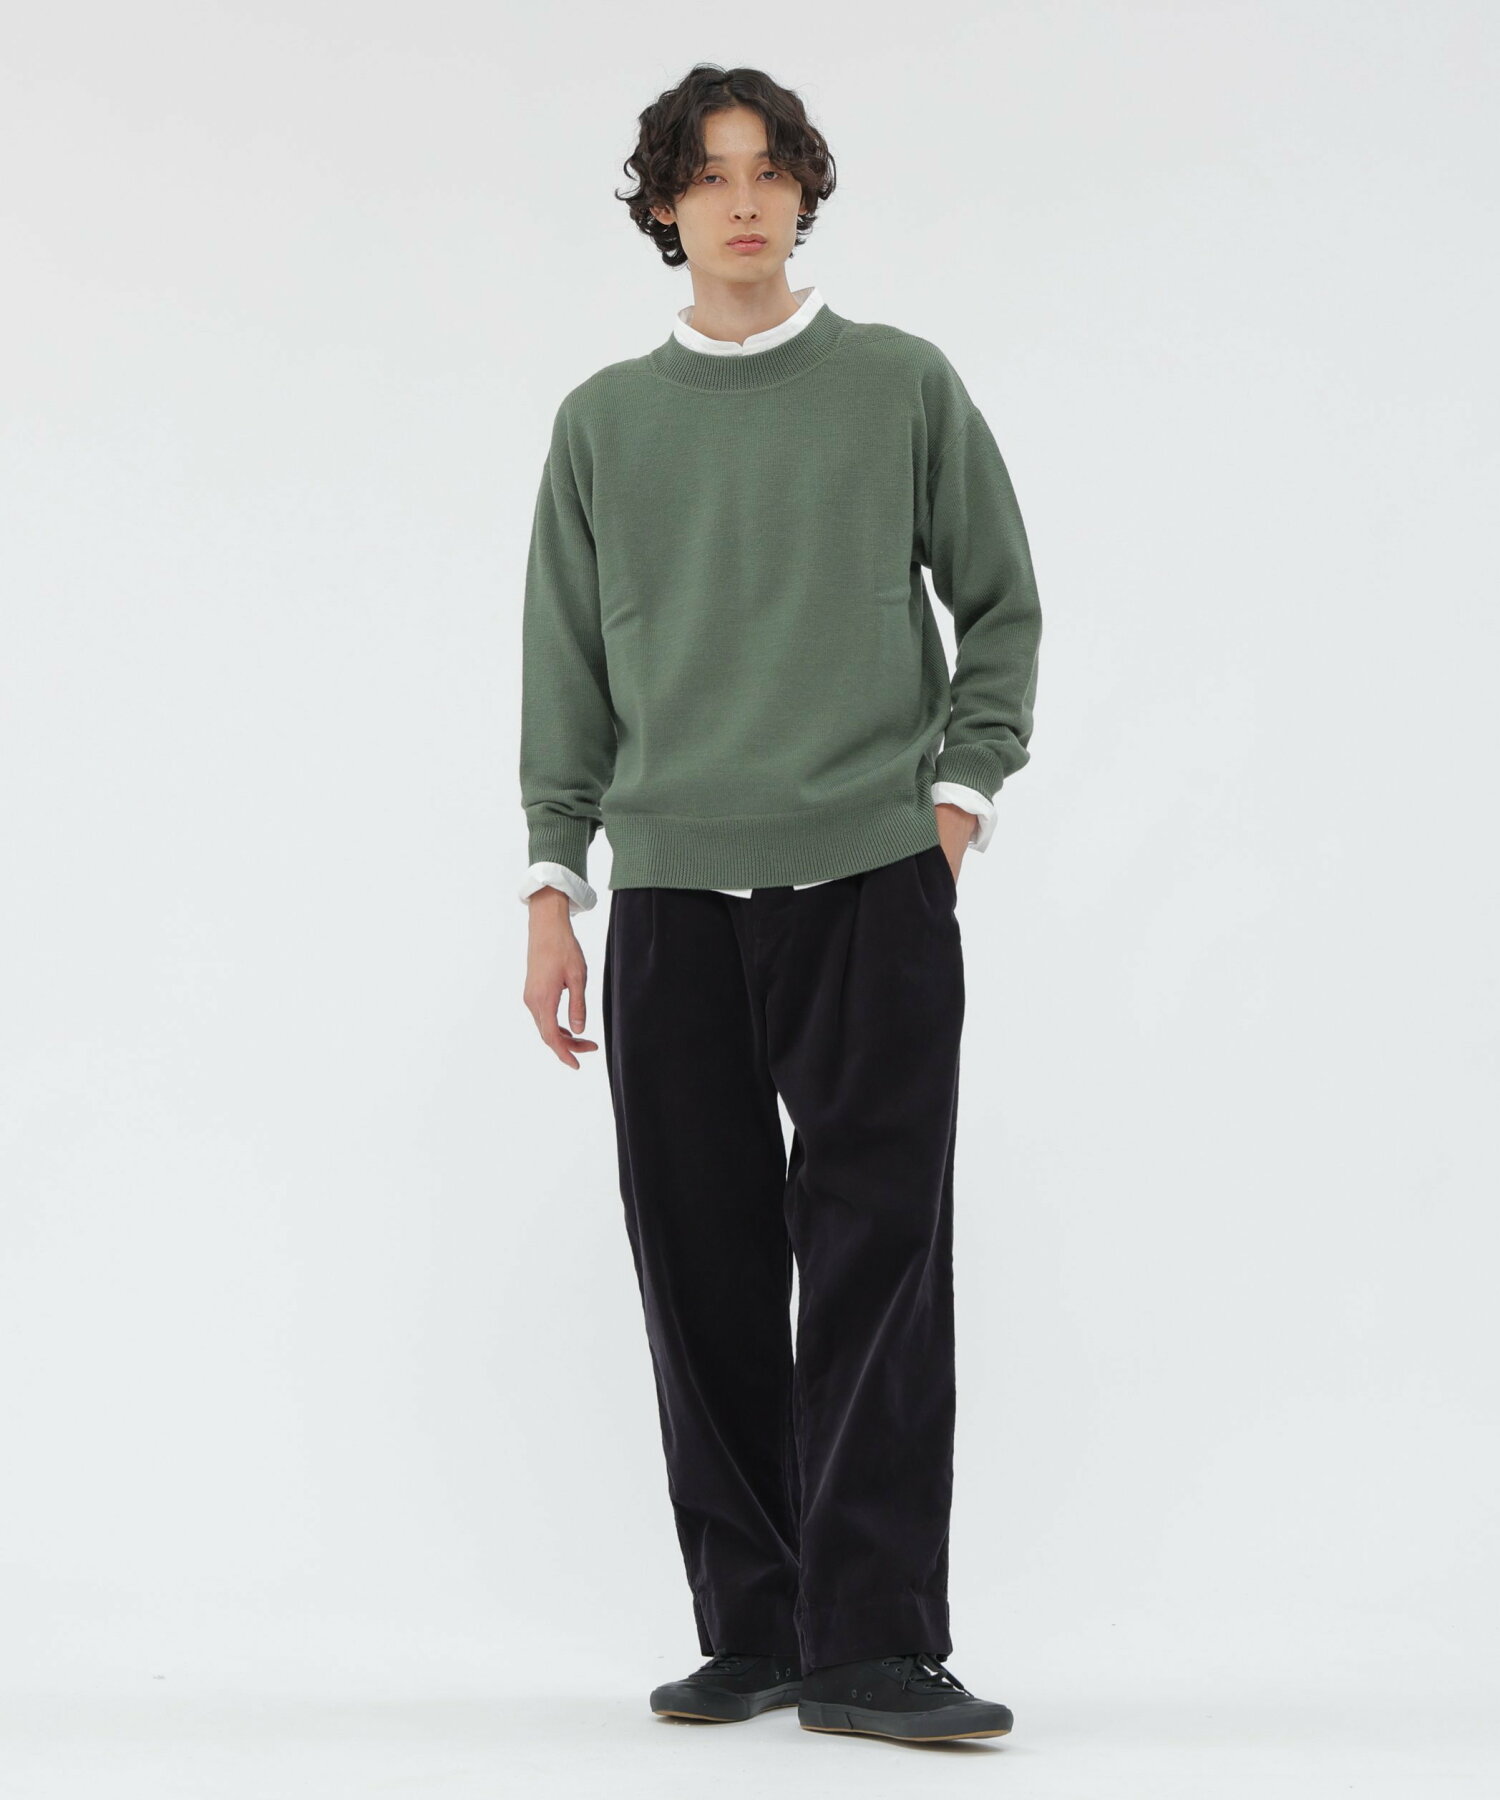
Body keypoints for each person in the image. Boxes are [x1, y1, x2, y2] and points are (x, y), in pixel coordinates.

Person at [517, 62, 1041, 1745]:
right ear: (664, 207)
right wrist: (554, 884)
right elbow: (566, 672)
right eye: (708, 176)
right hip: (674, 894)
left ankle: (874, 1642)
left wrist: (953, 804)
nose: (742, 202)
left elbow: (1001, 606)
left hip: (872, 881)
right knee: (702, 1266)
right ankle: (753, 1628)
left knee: (882, 1259)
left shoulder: (899, 385)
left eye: (769, 171)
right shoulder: (603, 424)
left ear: (805, 191)